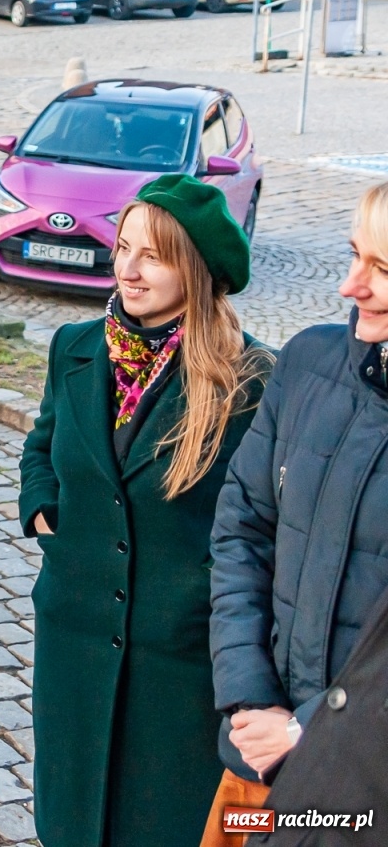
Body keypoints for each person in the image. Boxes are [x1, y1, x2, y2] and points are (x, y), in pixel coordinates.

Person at [19, 174, 269, 847]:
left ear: (195, 267)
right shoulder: (75, 347)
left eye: (152, 256)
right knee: (70, 823)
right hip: (73, 638)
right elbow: (43, 443)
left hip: (179, 665)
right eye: (123, 247)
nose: (127, 269)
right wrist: (43, 509)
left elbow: (264, 529)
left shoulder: (249, 382)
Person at [210, 181, 388, 835]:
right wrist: (250, 697)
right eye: (353, 256)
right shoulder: (309, 362)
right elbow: (241, 531)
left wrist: (310, 732)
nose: (350, 286)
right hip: (255, 758)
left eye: (382, 269)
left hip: (365, 784)